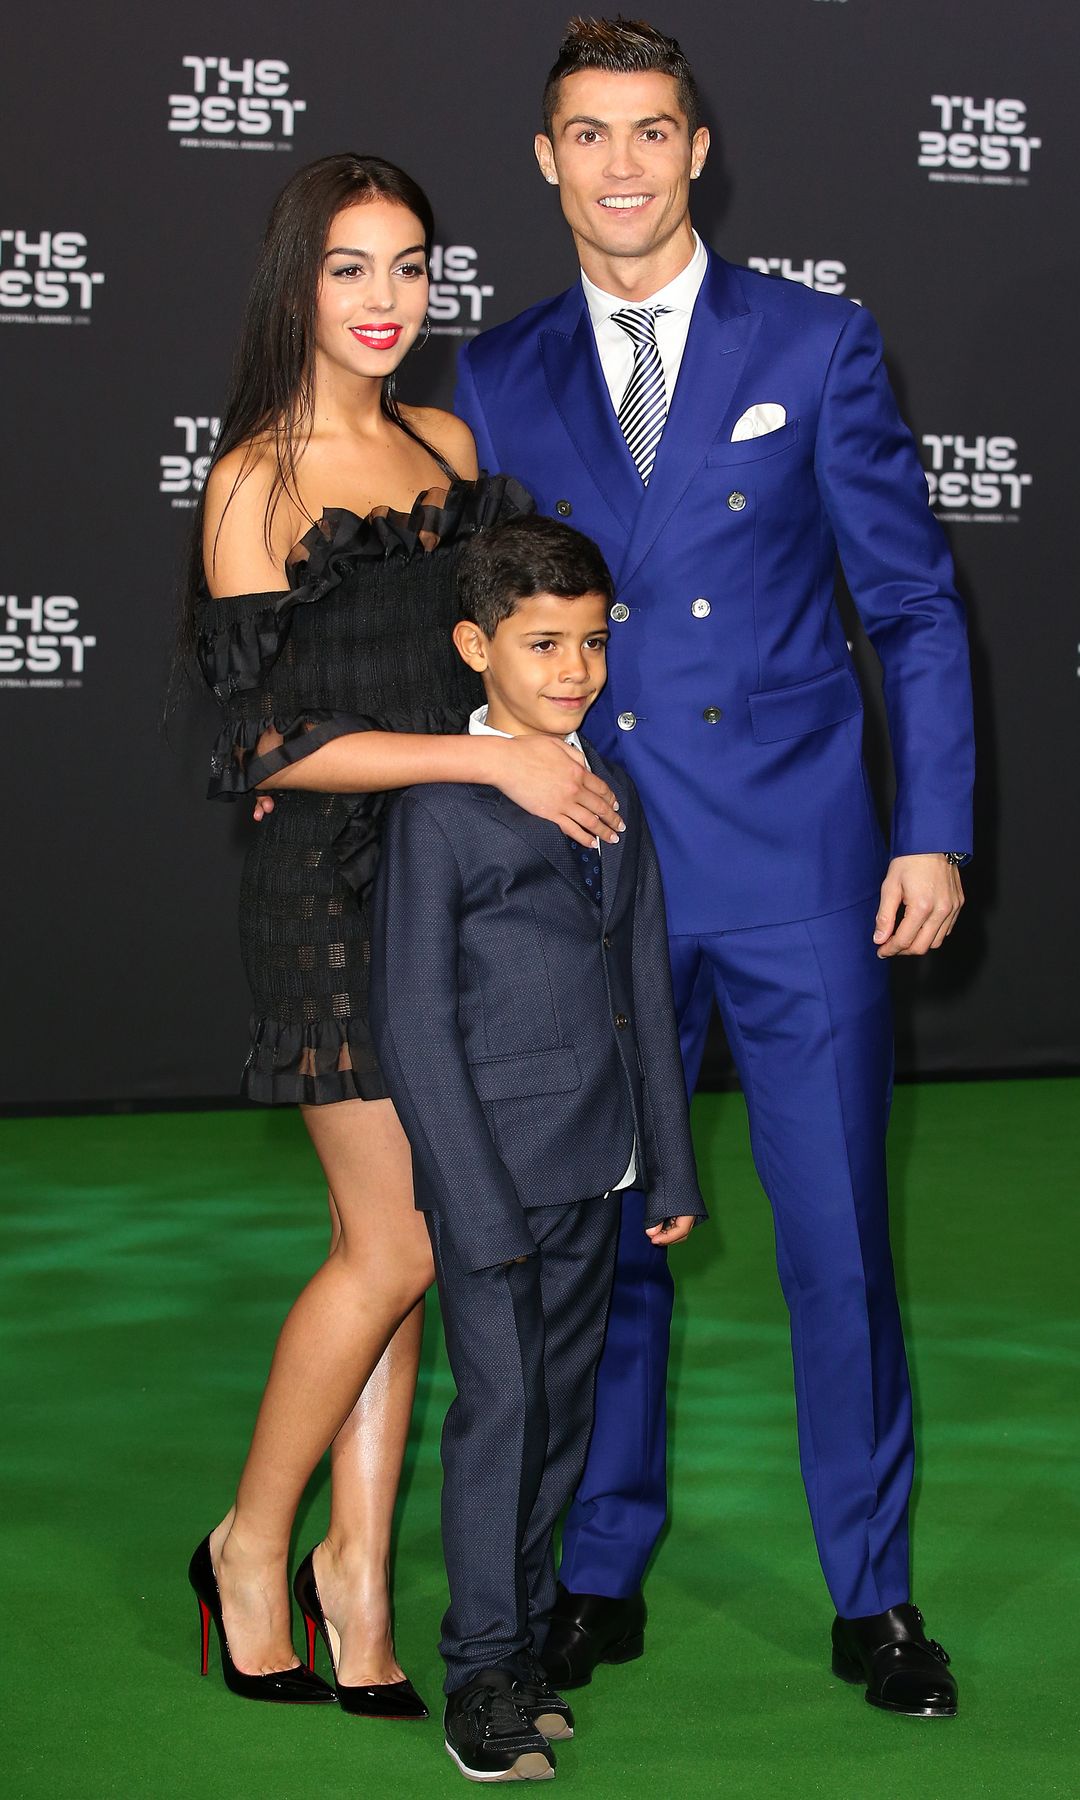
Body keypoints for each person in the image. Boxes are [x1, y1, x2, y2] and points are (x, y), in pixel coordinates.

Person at [454, 18, 972, 1718]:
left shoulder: (815, 343)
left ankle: (872, 1593)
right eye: (586, 135)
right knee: (611, 1242)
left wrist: (932, 827)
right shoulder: (496, 372)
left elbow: (906, 603)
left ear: (698, 150)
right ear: (547, 161)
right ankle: (598, 1565)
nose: (620, 165)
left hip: (799, 867)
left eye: (651, 132)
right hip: (585, 874)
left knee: (837, 1243)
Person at [185, 151, 626, 1714]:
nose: (386, 302)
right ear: (295, 284)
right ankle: (252, 1543)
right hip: (324, 890)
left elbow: (489, 652)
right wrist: (486, 757)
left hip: (452, 889)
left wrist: (514, 750)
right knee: (402, 1243)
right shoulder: (256, 478)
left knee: (416, 1262)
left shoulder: (445, 444)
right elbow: (262, 749)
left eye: (411, 268)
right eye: (350, 269)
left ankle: (356, 1588)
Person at [367, 513, 705, 1782]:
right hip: (494, 1177)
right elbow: (411, 1019)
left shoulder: (606, 788)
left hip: (599, 1166)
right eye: (542, 642)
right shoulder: (441, 809)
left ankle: (520, 1647)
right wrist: (469, 1193)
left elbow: (646, 989)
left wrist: (665, 1161)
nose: (574, 669)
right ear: (475, 648)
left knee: (559, 1417)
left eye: (594, 642)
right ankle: (479, 1674)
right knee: (499, 1415)